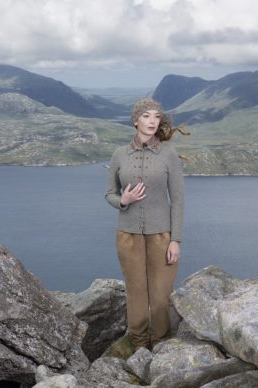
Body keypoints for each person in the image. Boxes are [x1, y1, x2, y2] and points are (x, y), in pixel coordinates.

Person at [105, 97, 188, 350]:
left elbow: (178, 200)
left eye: (156, 116)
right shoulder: (120, 154)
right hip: (127, 235)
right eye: (146, 116)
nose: (153, 121)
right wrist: (124, 200)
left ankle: (161, 345)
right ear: (135, 120)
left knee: (161, 295)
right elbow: (109, 193)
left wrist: (176, 240)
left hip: (161, 235)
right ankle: (139, 346)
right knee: (136, 292)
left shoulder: (168, 155)